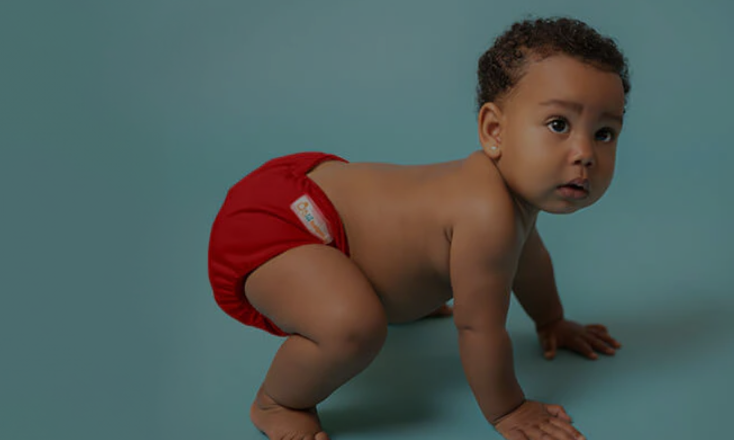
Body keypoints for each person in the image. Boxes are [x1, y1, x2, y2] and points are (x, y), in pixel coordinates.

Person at [200, 16, 635, 440]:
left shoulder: (509, 203)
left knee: (398, 266)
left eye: (604, 133)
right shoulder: (487, 213)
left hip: (318, 198)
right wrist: (509, 409)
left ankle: (396, 284)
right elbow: (478, 328)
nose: (584, 153)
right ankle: (278, 401)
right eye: (559, 125)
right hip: (283, 225)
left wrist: (552, 320)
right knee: (353, 328)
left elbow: (531, 262)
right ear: (494, 131)